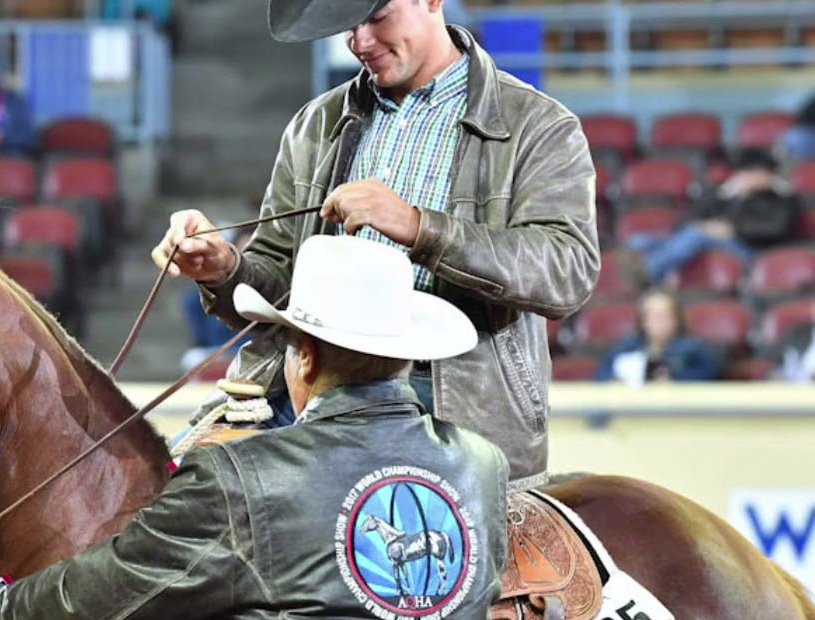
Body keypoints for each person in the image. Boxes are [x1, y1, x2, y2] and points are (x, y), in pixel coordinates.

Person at [0, 235, 507, 620]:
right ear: (404, 357)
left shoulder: (244, 476)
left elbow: (114, 589)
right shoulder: (482, 465)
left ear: (305, 359)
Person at [151, 0, 598, 490]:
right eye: (349, 24)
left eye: (377, 17)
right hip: (306, 385)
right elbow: (279, 283)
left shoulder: (540, 126)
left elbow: (566, 270)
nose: (359, 42)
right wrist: (224, 268)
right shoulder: (314, 125)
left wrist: (418, 227)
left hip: (447, 407)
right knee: (172, 487)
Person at [624, 149, 801, 284]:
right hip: (708, 241)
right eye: (746, 172)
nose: (749, 177)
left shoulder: (782, 198)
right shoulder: (722, 193)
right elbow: (686, 219)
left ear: (769, 175)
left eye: (757, 172)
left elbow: (776, 229)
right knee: (641, 240)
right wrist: (711, 225)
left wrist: (732, 230)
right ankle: (626, 279)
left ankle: (648, 274)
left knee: (696, 235)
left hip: (753, 249)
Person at [595, 289, 724, 386]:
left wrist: (675, 381)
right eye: (653, 316)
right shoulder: (627, 348)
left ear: (676, 319)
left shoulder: (693, 349)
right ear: (643, 320)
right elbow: (602, 376)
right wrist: (614, 381)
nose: (658, 322)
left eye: (664, 316)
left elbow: (712, 372)